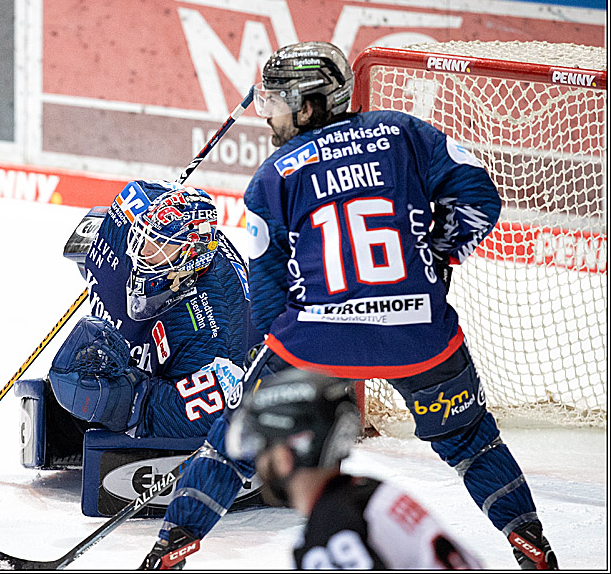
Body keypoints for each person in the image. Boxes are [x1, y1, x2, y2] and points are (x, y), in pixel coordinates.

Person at [139, 42, 558, 570]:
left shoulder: (273, 176)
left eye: (279, 103)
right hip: (418, 336)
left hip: (317, 341)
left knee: (235, 440)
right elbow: (479, 195)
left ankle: (172, 543)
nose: (269, 116)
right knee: (471, 440)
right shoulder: (405, 133)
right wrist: (440, 254)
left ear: (310, 106)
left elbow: (268, 296)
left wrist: (263, 369)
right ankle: (529, 539)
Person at [48, 180, 255, 440]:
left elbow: (207, 411)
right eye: (144, 237)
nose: (142, 252)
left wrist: (123, 402)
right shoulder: (158, 223)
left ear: (191, 254)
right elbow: (124, 208)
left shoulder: (216, 332)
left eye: (159, 245)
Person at [224, 368, 482, 569]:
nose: (258, 461)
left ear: (284, 457)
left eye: (262, 447)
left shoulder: (332, 536)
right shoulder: (371, 491)